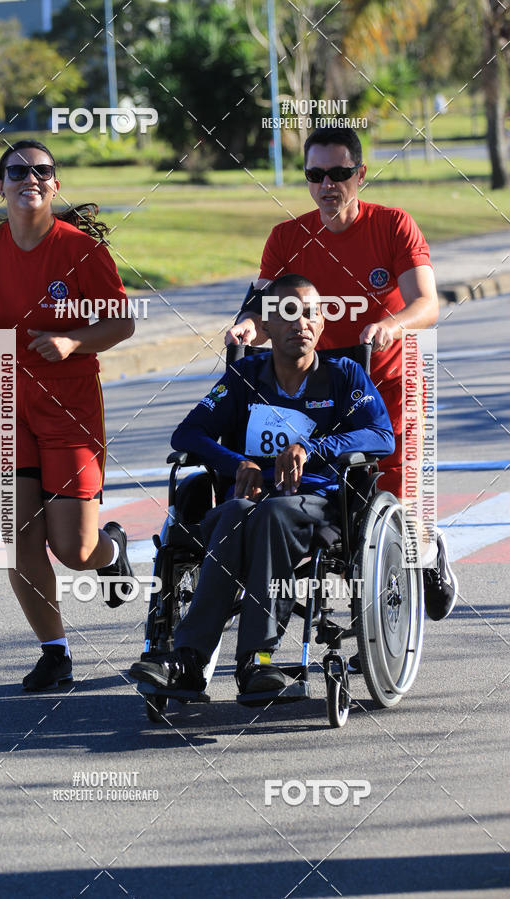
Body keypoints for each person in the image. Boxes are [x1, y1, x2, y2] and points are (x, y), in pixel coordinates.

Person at [226, 125, 457, 623]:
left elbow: (427, 303)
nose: (327, 185)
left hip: (391, 382)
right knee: (331, 503)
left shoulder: (393, 226)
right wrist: (246, 327)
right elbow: (262, 310)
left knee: (398, 499)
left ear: (360, 175)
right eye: (315, 174)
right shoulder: (287, 237)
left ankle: (430, 554)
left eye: (338, 174)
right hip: (319, 391)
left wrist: (390, 325)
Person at [130, 275, 394, 696]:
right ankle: (188, 660)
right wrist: (238, 465)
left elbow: (381, 436)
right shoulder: (244, 376)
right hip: (246, 501)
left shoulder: (345, 376)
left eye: (309, 313)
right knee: (234, 513)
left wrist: (311, 448)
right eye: (287, 314)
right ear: (266, 325)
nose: (300, 323)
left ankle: (259, 659)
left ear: (323, 322)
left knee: (270, 513)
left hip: (314, 505)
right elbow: (188, 434)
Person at [0, 140, 135, 691]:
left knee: (74, 550)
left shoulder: (81, 251)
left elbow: (121, 323)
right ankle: (55, 652)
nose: (30, 178)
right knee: (13, 536)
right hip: (4, 394)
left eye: (42, 171)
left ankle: (112, 548)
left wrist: (74, 342)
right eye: (18, 171)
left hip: (68, 399)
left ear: (55, 184)